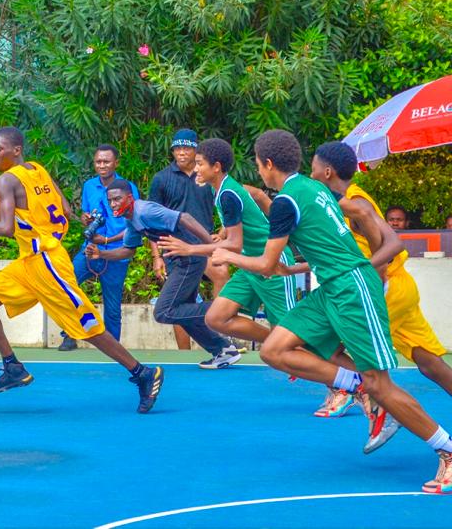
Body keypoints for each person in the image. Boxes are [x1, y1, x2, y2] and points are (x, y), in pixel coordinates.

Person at [212, 129, 452, 494]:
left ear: (267, 164)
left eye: (258, 165)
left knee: (383, 385)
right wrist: (290, 268)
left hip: (353, 288)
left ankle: (446, 450)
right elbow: (316, 245)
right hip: (331, 288)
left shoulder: (287, 201)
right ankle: (354, 384)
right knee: (275, 350)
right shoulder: (311, 190)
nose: (258, 172)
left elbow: (264, 264)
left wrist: (228, 255)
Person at [0, 127, 163, 412]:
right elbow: (65, 209)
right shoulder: (37, 169)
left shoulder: (6, 180)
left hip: (46, 263)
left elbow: (5, 228)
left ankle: (142, 373)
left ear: (16, 150)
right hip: (30, 262)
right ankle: (13, 368)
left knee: (86, 326)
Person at [310, 142, 452, 417]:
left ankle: (378, 401)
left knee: (323, 346)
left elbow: (389, 246)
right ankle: (366, 395)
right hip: (399, 288)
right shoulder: (340, 201)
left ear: (327, 171)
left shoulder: (355, 202)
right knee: (429, 362)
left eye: (313, 165)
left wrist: (365, 272)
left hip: (385, 289)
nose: (311, 171)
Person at [157, 138, 298, 355]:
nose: (196, 169)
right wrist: (223, 234)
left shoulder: (227, 194)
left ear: (216, 167)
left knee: (291, 333)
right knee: (216, 318)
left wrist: (190, 249)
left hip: (272, 263)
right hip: (251, 265)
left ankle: (340, 381)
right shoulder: (222, 189)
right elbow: (239, 223)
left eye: (200, 164)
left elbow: (234, 243)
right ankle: (274, 341)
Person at [85, 180, 237, 368]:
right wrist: (102, 254)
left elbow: (186, 218)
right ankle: (223, 350)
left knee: (164, 311)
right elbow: (128, 250)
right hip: (179, 260)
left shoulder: (145, 210)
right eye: (110, 201)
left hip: (189, 259)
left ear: (130, 198)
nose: (114, 204)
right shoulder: (131, 218)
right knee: (181, 311)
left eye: (117, 199)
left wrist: (211, 248)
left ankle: (224, 308)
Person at [148, 128, 229, 349]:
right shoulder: (161, 179)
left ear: (196, 150)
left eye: (187, 148)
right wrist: (157, 256)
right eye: (177, 148)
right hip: (176, 249)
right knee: (180, 302)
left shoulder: (208, 176)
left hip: (204, 246)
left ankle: (221, 333)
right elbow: (151, 220)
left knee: (221, 273)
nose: (182, 152)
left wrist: (222, 233)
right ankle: (184, 353)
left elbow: (228, 204)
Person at [59, 144, 140, 350]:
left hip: (117, 252)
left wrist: (106, 241)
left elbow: (134, 224)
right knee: (67, 285)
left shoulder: (128, 187)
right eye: (98, 162)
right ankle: (70, 333)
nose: (102, 165)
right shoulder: (89, 186)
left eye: (106, 161)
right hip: (89, 249)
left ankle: (113, 347)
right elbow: (89, 216)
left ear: (116, 163)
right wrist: (86, 219)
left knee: (112, 305)